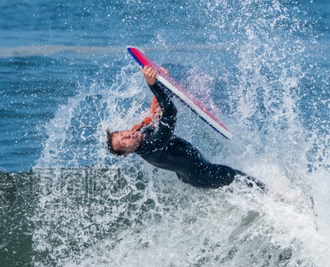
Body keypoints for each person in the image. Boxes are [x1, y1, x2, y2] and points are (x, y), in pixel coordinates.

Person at [106, 65, 264, 190]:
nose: (127, 136)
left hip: (188, 171)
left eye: (122, 134)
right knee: (239, 178)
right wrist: (153, 86)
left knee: (236, 188)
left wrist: (160, 82)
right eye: (123, 142)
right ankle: (276, 197)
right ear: (128, 152)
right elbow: (170, 113)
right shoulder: (152, 147)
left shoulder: (137, 131)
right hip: (202, 174)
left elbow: (154, 114)